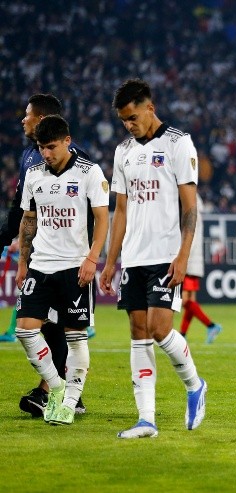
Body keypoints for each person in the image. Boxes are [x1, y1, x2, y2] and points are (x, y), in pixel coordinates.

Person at [100, 78, 207, 439]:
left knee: (160, 329)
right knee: (138, 332)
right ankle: (146, 419)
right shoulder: (123, 151)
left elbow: (189, 207)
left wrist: (183, 255)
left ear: (150, 107)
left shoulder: (178, 143)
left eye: (133, 117)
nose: (128, 125)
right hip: (133, 256)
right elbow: (121, 210)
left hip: (166, 253)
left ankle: (195, 385)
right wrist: (111, 261)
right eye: (123, 120)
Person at [15, 115, 109, 425]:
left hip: (74, 266)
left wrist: (92, 259)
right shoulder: (34, 175)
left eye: (51, 147)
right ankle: (56, 387)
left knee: (75, 337)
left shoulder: (89, 172)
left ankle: (68, 404)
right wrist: (23, 263)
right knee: (25, 330)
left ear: (67, 141)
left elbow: (102, 218)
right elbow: (29, 220)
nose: (46, 153)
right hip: (41, 265)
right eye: (41, 147)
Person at [0, 94, 90, 417]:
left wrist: (90, 256)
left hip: (69, 259)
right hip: (41, 255)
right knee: (41, 325)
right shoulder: (31, 157)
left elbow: (92, 211)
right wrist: (15, 245)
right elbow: (23, 210)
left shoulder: (79, 161)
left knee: (63, 327)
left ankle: (53, 391)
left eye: (28, 115)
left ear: (41, 120)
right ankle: (59, 390)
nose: (23, 120)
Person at [179, 193, 223, 343]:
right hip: (195, 260)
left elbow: (188, 236)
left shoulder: (189, 211)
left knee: (185, 301)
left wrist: (182, 257)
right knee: (191, 300)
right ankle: (183, 334)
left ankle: (211, 326)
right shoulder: (196, 209)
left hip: (188, 259)